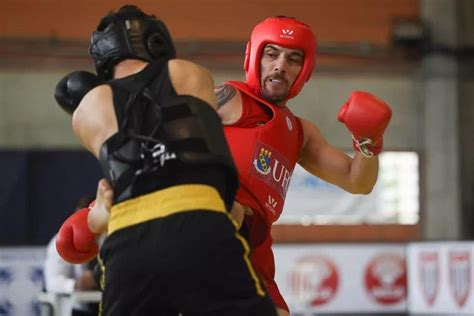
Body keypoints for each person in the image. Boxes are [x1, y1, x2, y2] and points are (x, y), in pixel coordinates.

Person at [53, 5, 277, 316]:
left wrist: (96, 217)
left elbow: (128, 175)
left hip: (128, 241)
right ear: (158, 42)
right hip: (200, 222)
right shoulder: (190, 73)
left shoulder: (86, 112)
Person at [214, 16, 392, 315]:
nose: (280, 65)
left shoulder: (299, 132)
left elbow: (357, 181)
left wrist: (368, 142)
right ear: (253, 56)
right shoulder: (228, 97)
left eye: (293, 58)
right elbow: (165, 140)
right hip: (213, 231)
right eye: (271, 54)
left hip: (255, 249)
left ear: (304, 70)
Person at [44, 196, 101, 316]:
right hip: (78, 308)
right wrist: (76, 284)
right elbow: (52, 282)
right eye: (79, 220)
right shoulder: (62, 242)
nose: (84, 225)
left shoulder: (109, 238)